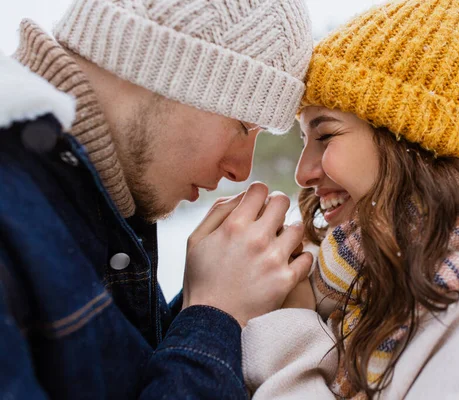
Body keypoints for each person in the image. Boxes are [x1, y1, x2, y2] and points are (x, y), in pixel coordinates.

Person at [241, 0, 459, 398]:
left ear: (412, 141)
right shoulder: (358, 289)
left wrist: (288, 327)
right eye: (303, 140)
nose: (302, 173)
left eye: (325, 135)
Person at [0, 0, 314, 398]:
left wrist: (220, 297)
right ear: (154, 64)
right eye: (242, 125)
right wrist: (215, 316)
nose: (241, 170)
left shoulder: (95, 200)